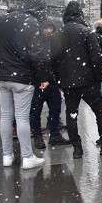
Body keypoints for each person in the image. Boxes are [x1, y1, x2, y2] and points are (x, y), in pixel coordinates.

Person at [0, 0, 50, 169]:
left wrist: (4, 60)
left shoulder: (2, 20)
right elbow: (37, 54)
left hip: (2, 76)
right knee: (22, 117)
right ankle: (27, 156)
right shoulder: (31, 23)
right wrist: (43, 78)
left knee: (6, 116)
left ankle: (7, 155)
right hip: (22, 77)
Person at [51, 1, 102, 158]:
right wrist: (96, 79)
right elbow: (96, 59)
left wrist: (59, 80)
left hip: (68, 83)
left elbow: (53, 60)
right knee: (100, 111)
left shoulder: (59, 34)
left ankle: (77, 148)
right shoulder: (87, 32)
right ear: (80, 14)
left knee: (71, 114)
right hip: (87, 81)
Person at [29, 20, 69, 149]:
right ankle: (38, 137)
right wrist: (43, 79)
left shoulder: (53, 42)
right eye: (47, 28)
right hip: (40, 83)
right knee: (36, 110)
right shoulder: (37, 42)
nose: (49, 31)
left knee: (55, 109)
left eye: (51, 28)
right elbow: (36, 61)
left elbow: (57, 61)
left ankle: (54, 135)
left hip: (51, 83)